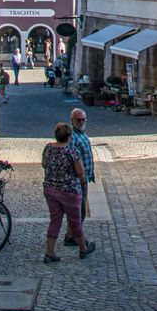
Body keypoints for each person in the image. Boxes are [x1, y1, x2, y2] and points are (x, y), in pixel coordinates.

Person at [42, 122, 94, 263]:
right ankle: (83, 249)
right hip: (70, 191)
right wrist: (82, 182)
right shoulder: (72, 151)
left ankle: (50, 253)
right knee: (75, 221)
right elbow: (80, 172)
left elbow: (44, 164)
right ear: (70, 136)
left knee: (55, 221)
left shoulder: (48, 148)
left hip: (51, 190)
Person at [68, 109, 95, 227]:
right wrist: (81, 176)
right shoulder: (73, 137)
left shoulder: (82, 135)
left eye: (83, 120)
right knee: (79, 210)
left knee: (80, 209)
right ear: (72, 120)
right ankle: (72, 236)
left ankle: (72, 235)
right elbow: (72, 159)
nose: (81, 122)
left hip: (84, 178)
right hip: (78, 179)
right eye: (78, 120)